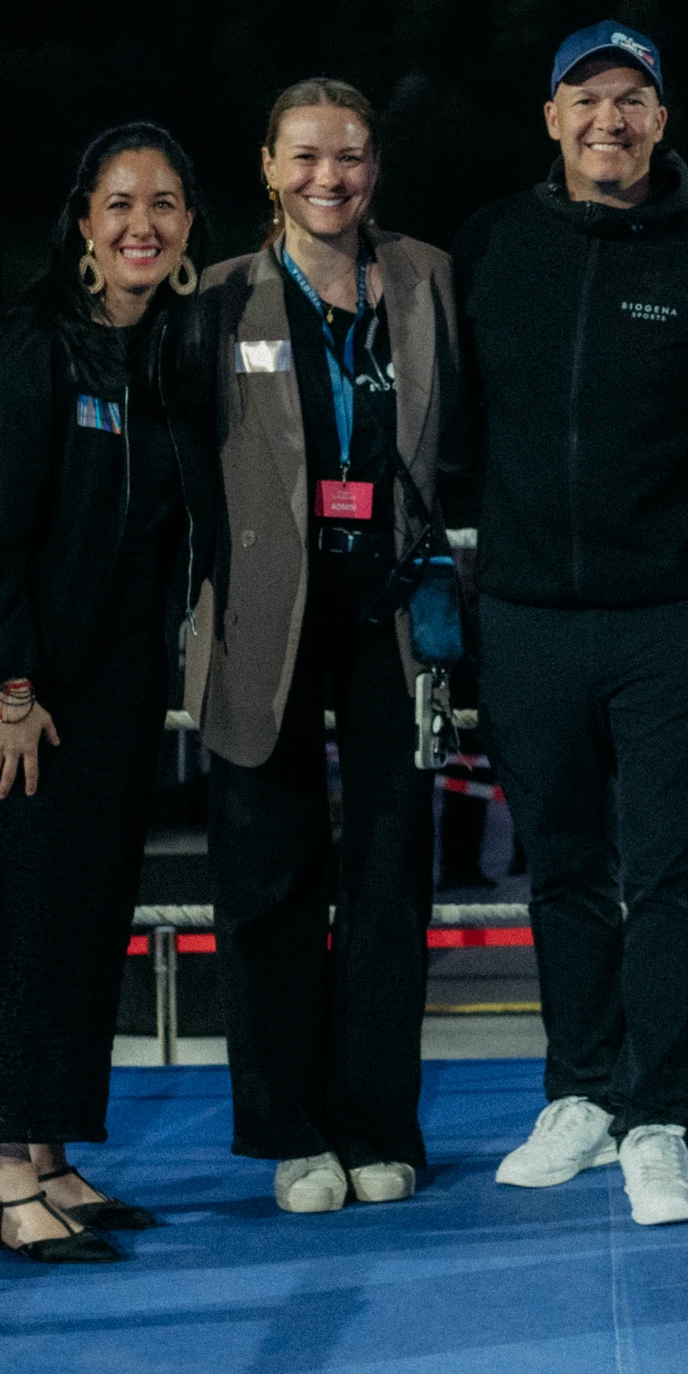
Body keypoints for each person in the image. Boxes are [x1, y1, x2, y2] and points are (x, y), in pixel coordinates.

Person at [453, 20, 688, 1227]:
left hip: (679, 620)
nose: (609, 121)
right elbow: (447, 416)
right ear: (550, 118)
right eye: (587, 100)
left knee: (674, 881)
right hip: (527, 617)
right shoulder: (491, 246)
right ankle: (580, 1090)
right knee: (564, 875)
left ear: (661, 119)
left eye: (632, 98)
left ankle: (657, 1119)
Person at [0, 123, 212, 1261]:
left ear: (190, 229)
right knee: (17, 918)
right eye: (119, 204)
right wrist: (9, 684)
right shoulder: (35, 346)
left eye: (164, 204)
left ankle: (51, 1151)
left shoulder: (163, 356)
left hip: (115, 688)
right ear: (84, 227)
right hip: (25, 692)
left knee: (86, 918)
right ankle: (5, 1178)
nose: (141, 222)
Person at [183, 78, 460, 1214]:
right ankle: (293, 1133)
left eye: (346, 158)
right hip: (260, 619)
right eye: (303, 158)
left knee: (391, 879)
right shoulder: (213, 298)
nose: (326, 179)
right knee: (267, 880)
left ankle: (378, 1121)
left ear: (374, 168)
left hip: (391, 617)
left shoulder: (428, 276)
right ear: (265, 166)